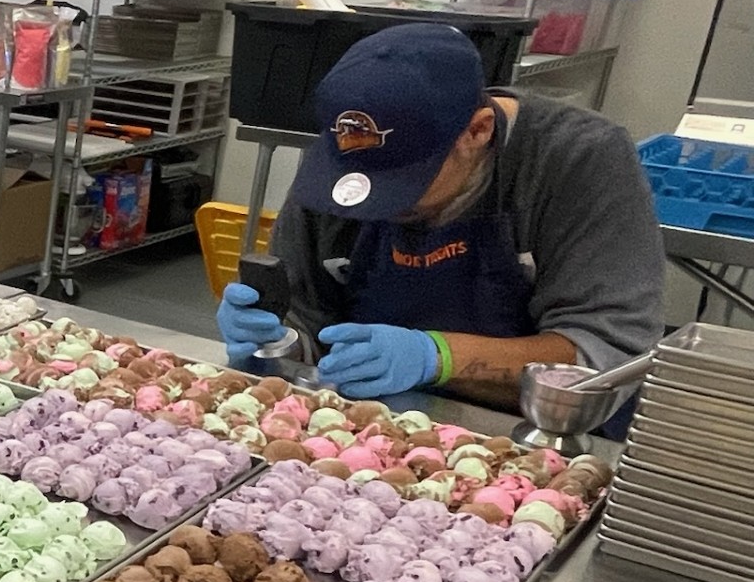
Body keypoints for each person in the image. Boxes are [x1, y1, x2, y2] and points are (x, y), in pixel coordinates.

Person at [217, 22, 663, 409]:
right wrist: (280, 340)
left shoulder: (578, 160)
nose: (374, 203)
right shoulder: (349, 156)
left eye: (403, 181)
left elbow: (605, 358)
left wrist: (436, 357)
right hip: (363, 420)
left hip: (528, 429)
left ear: (478, 130)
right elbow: (305, 318)